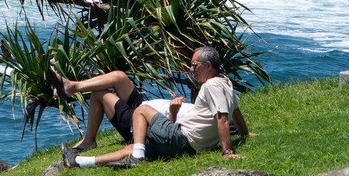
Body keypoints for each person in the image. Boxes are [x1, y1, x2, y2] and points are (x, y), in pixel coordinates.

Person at [60, 46, 249, 169]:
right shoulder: (226, 83)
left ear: (208, 65)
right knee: (133, 147)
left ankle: (138, 158)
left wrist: (227, 152)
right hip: (189, 148)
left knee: (140, 111)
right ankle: (78, 162)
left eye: (194, 65)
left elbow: (223, 117)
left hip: (182, 138)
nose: (191, 69)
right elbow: (236, 112)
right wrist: (245, 134)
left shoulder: (212, 85)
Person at [46, 67, 144, 153]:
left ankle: (89, 141)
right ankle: (73, 86)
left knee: (98, 94)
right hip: (144, 108)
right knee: (119, 76)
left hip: (141, 123)